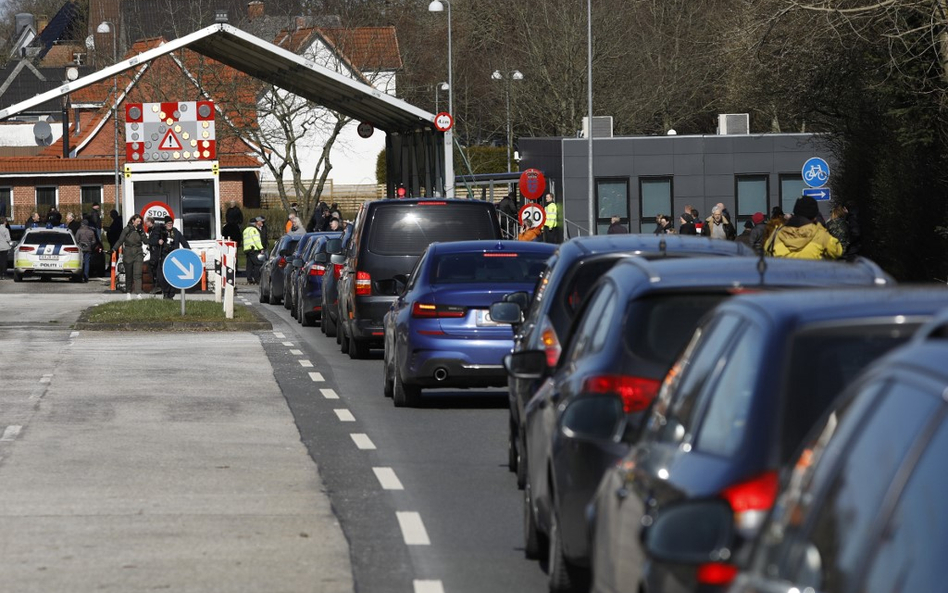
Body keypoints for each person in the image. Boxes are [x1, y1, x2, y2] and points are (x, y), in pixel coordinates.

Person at [765, 195, 842, 260]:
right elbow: (837, 251)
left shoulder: (776, 234)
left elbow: (767, 252)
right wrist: (820, 228)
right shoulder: (820, 234)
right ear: (815, 216)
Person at [153, 216, 191, 299]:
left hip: (174, 257)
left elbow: (184, 242)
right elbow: (152, 240)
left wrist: (188, 251)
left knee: (172, 276)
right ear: (165, 224)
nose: (170, 225)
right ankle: (166, 292)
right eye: (168, 223)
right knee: (162, 277)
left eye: (171, 223)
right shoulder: (161, 232)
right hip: (163, 256)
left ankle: (170, 295)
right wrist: (158, 241)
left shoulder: (176, 232)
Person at [113, 214, 146, 297]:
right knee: (129, 274)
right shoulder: (126, 229)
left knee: (137, 274)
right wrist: (113, 249)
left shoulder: (141, 230)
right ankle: (128, 292)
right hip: (128, 253)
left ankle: (138, 292)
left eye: (140, 222)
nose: (139, 223)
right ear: (133, 221)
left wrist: (141, 232)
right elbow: (120, 240)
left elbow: (145, 241)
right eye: (137, 221)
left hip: (138, 252)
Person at [243, 217, 265, 284]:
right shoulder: (254, 230)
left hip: (247, 249)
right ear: (255, 223)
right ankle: (257, 279)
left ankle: (249, 279)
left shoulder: (245, 230)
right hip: (253, 249)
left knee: (249, 265)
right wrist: (261, 248)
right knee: (257, 264)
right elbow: (256, 240)